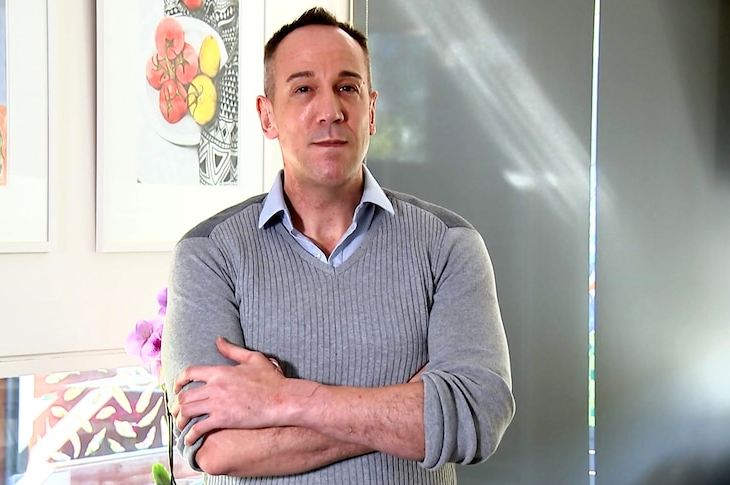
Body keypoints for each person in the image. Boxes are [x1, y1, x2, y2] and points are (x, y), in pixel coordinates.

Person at [161, 7, 514, 484]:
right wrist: (404, 409)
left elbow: (475, 415)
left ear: (370, 110)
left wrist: (280, 400)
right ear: (267, 116)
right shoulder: (208, 254)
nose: (330, 110)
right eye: (303, 89)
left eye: (347, 87)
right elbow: (216, 447)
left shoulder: (449, 246)